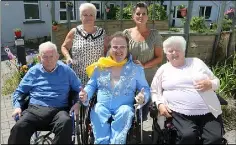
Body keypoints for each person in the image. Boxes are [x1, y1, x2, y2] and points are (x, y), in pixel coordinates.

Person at [79, 32, 150, 144]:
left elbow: (145, 88)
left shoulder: (136, 68)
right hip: (102, 106)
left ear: (127, 48)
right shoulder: (101, 66)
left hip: (124, 107)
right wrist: (86, 94)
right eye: (115, 47)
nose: (119, 50)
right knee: (97, 110)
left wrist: (143, 96)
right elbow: (91, 85)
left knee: (125, 111)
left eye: (122, 47)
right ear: (110, 49)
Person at [151, 36, 224, 144]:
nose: (174, 53)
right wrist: (160, 104)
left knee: (215, 139)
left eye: (177, 50)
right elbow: (154, 91)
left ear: (184, 51)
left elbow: (216, 81)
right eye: (170, 51)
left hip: (208, 111)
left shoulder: (197, 62)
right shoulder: (163, 69)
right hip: (180, 113)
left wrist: (210, 84)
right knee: (187, 136)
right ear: (166, 54)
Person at [8, 41, 82, 144]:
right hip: (35, 110)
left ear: (57, 56)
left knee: (66, 122)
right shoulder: (33, 71)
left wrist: (78, 103)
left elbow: (79, 89)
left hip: (59, 110)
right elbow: (19, 92)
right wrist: (17, 106)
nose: (48, 60)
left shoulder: (66, 71)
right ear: (39, 58)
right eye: (45, 57)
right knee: (19, 126)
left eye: (51, 56)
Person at [61, 2, 108, 85]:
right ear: (80, 17)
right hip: (78, 77)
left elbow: (107, 51)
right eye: (85, 15)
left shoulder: (102, 33)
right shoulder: (74, 32)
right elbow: (64, 47)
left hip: (97, 77)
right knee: (79, 97)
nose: (88, 17)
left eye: (91, 15)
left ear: (95, 17)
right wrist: (68, 57)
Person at [123, 2, 163, 85]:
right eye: (138, 13)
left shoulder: (155, 35)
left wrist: (144, 65)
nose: (141, 16)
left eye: (144, 14)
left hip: (149, 78)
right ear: (133, 16)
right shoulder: (126, 33)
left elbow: (159, 57)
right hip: (130, 77)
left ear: (147, 17)